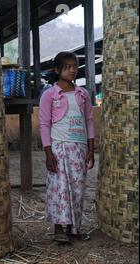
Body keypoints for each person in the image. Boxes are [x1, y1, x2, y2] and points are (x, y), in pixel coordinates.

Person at [39, 51, 95, 244]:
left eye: (75, 66)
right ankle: (58, 229)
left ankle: (74, 228)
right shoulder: (50, 95)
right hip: (59, 148)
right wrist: (48, 152)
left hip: (78, 149)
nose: (72, 70)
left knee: (77, 188)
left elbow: (89, 120)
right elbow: (44, 124)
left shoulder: (83, 94)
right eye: (67, 67)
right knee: (58, 188)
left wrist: (91, 148)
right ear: (57, 70)